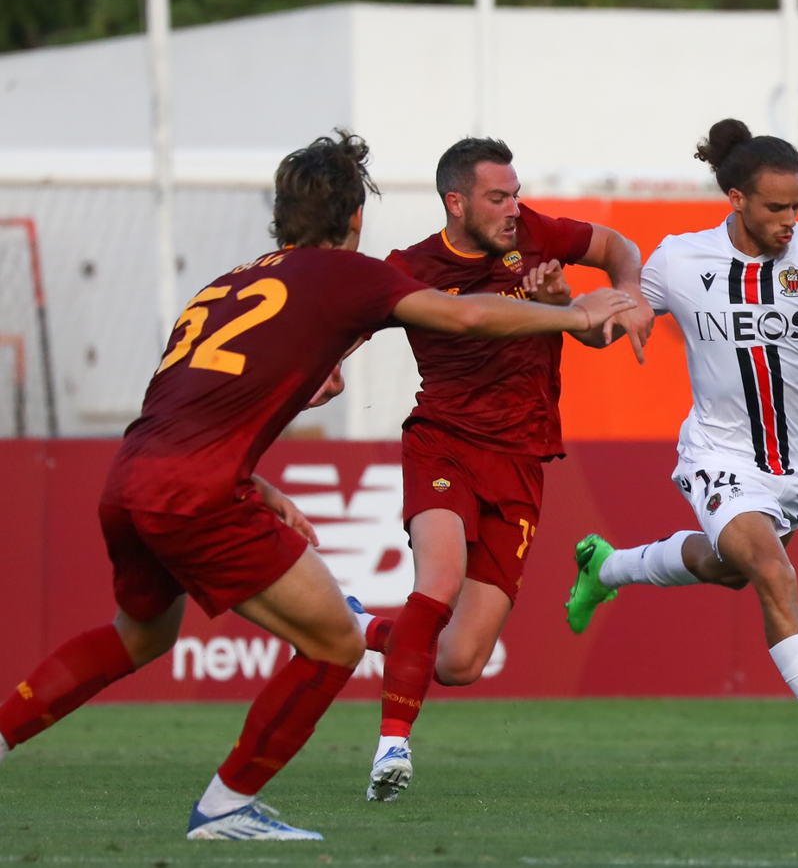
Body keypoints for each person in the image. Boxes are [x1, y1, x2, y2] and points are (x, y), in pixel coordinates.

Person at [0, 131, 635, 840]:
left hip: (132, 476)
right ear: (355, 217)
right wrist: (575, 315)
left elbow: (182, 404)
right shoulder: (346, 275)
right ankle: (226, 807)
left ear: (281, 214)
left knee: (138, 637)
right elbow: (464, 313)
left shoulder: (227, 283)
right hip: (197, 492)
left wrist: (257, 483)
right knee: (332, 645)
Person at [561, 118, 798, 797]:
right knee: (772, 570)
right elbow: (607, 328)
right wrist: (567, 308)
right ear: (735, 199)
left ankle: (606, 567)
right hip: (716, 453)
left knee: (733, 570)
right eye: (775, 207)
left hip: (795, 472)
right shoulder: (680, 261)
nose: (790, 220)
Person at [341, 136, 654, 803]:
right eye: (497, 197)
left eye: (516, 194)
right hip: (444, 444)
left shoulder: (535, 234)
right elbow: (345, 320)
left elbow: (617, 247)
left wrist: (626, 293)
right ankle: (392, 746)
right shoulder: (411, 267)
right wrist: (328, 366)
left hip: (520, 461)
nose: (514, 208)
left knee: (459, 661)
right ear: (456, 203)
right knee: (440, 581)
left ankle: (361, 628)